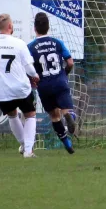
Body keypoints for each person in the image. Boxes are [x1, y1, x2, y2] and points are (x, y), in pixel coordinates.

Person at [0, 14, 40, 158]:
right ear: (10, 26)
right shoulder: (18, 43)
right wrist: (35, 76)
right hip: (20, 89)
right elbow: (29, 68)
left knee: (12, 115)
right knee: (30, 115)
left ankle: (24, 146)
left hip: (1, 91)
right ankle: (28, 151)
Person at [28, 12, 75, 154]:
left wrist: (33, 80)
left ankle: (67, 143)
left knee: (54, 116)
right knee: (66, 109)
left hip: (44, 85)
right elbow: (70, 62)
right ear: (48, 27)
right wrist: (64, 74)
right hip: (60, 80)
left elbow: (28, 68)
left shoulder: (30, 47)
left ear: (35, 28)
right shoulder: (57, 42)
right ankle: (69, 116)